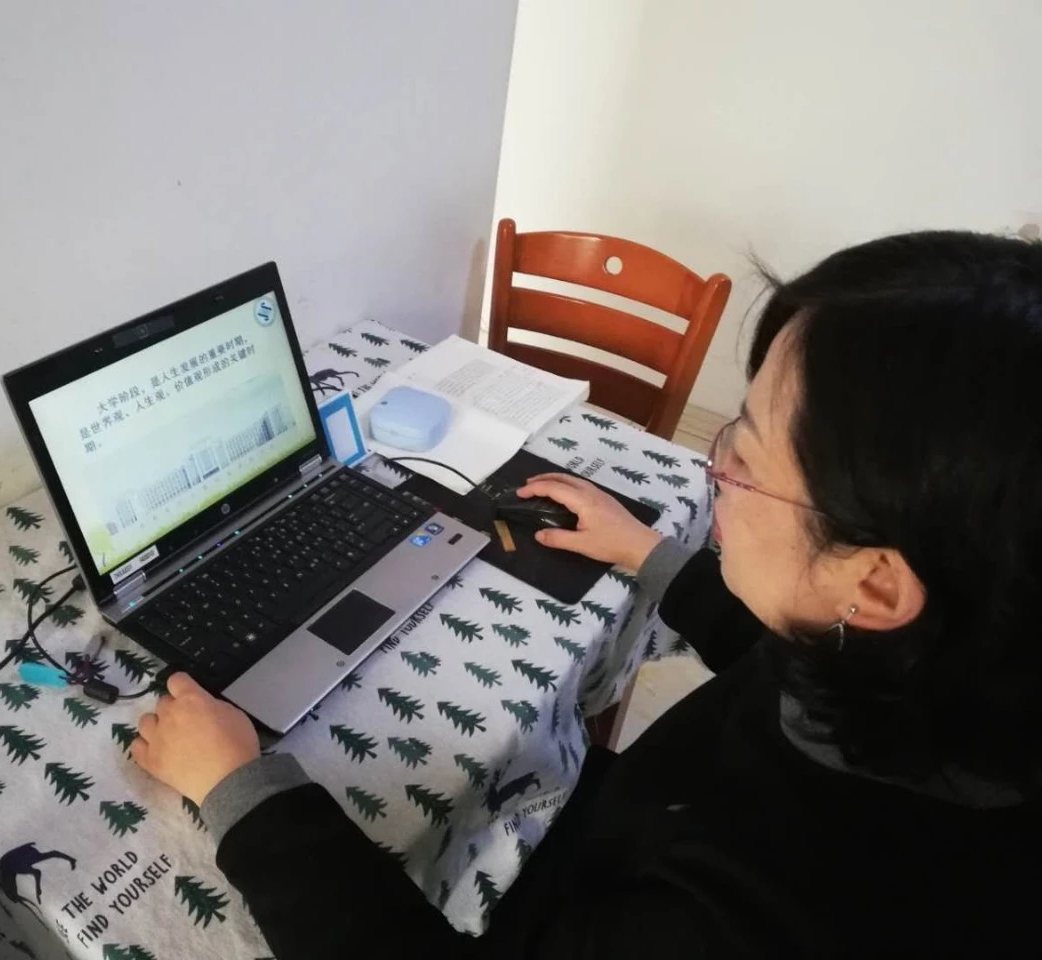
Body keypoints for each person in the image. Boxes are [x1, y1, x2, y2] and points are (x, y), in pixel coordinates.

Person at [132, 231, 1042, 957]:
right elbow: (786, 653)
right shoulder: (946, 670)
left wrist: (243, 794)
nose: (713, 468)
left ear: (875, 583)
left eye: (745, 455)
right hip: (615, 830)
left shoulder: (761, 918)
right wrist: (647, 551)